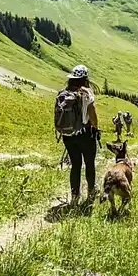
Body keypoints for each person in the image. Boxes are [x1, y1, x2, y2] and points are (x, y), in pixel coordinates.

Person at [59, 65, 100, 204]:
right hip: (85, 134)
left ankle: (75, 196)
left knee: (75, 165)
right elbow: (92, 114)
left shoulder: (65, 92)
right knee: (89, 164)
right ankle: (91, 192)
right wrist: (95, 127)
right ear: (85, 78)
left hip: (68, 136)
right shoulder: (86, 92)